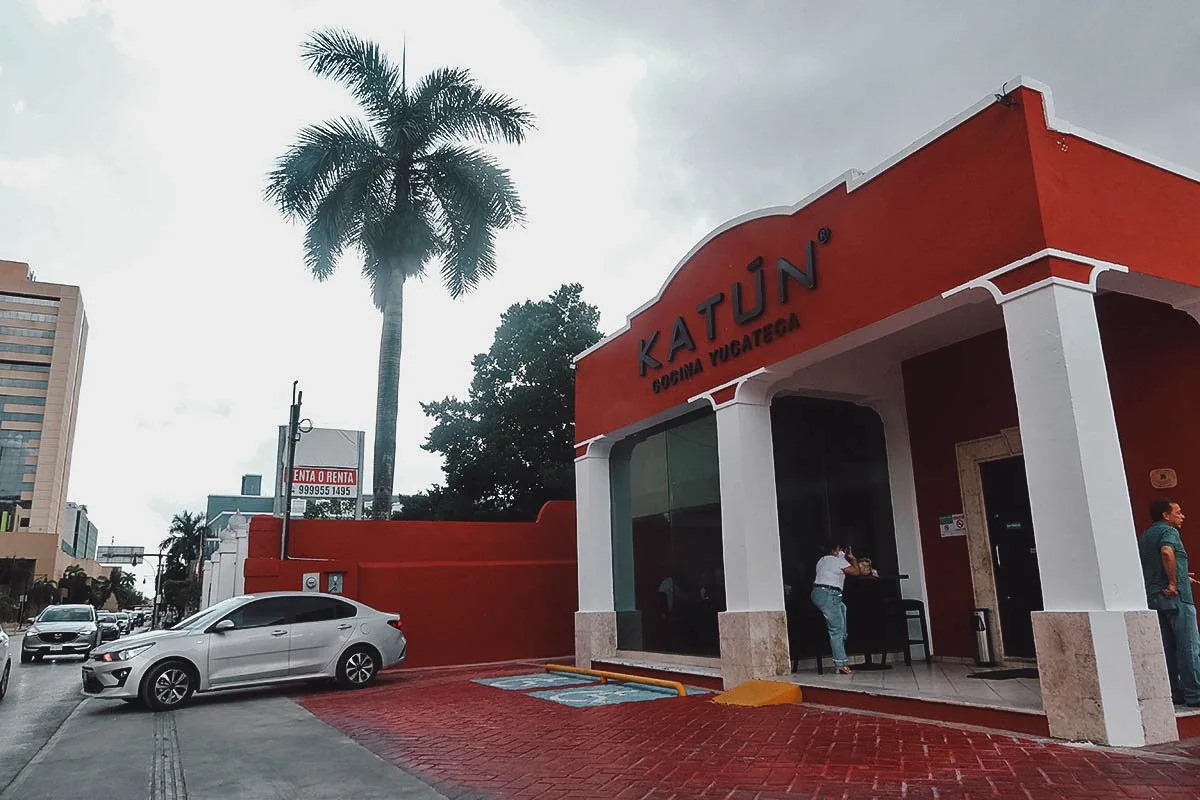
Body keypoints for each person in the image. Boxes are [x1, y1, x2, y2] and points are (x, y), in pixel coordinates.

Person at [1138, 498, 1200, 707]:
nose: (1182, 516)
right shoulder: (1169, 532)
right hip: (1176, 597)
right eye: (1178, 512)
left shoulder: (1146, 535)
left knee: (1168, 647)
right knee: (1189, 646)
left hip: (1154, 596)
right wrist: (1174, 583)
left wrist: (1182, 574)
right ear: (1166, 515)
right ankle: (1195, 693)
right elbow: (1166, 552)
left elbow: (1155, 561)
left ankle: (1174, 691)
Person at [811, 543, 860, 675]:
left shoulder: (822, 560)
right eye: (841, 550)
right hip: (829, 594)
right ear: (835, 551)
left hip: (822, 593)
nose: (842, 552)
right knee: (836, 630)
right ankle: (840, 663)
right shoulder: (836, 560)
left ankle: (842, 640)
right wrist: (852, 558)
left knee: (843, 609)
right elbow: (856, 572)